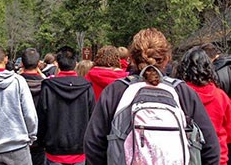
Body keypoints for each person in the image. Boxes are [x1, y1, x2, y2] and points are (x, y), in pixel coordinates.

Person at [84, 28, 220, 165]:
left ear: (132, 58)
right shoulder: (182, 92)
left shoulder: (116, 91)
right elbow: (211, 148)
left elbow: (93, 144)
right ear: (167, 59)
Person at [37, 46, 95, 165]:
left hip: (54, 148)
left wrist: (41, 141)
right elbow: (92, 117)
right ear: (75, 63)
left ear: (57, 63)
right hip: (79, 148)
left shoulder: (48, 86)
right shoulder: (86, 86)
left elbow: (41, 117)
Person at [176, 46, 231, 165]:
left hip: (188, 157)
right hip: (217, 158)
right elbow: (229, 131)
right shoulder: (220, 96)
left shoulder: (179, 96)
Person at [20, 47, 46, 165]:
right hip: (41, 138)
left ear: (21, 63)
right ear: (38, 63)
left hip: (19, 139)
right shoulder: (46, 85)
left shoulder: (15, 83)